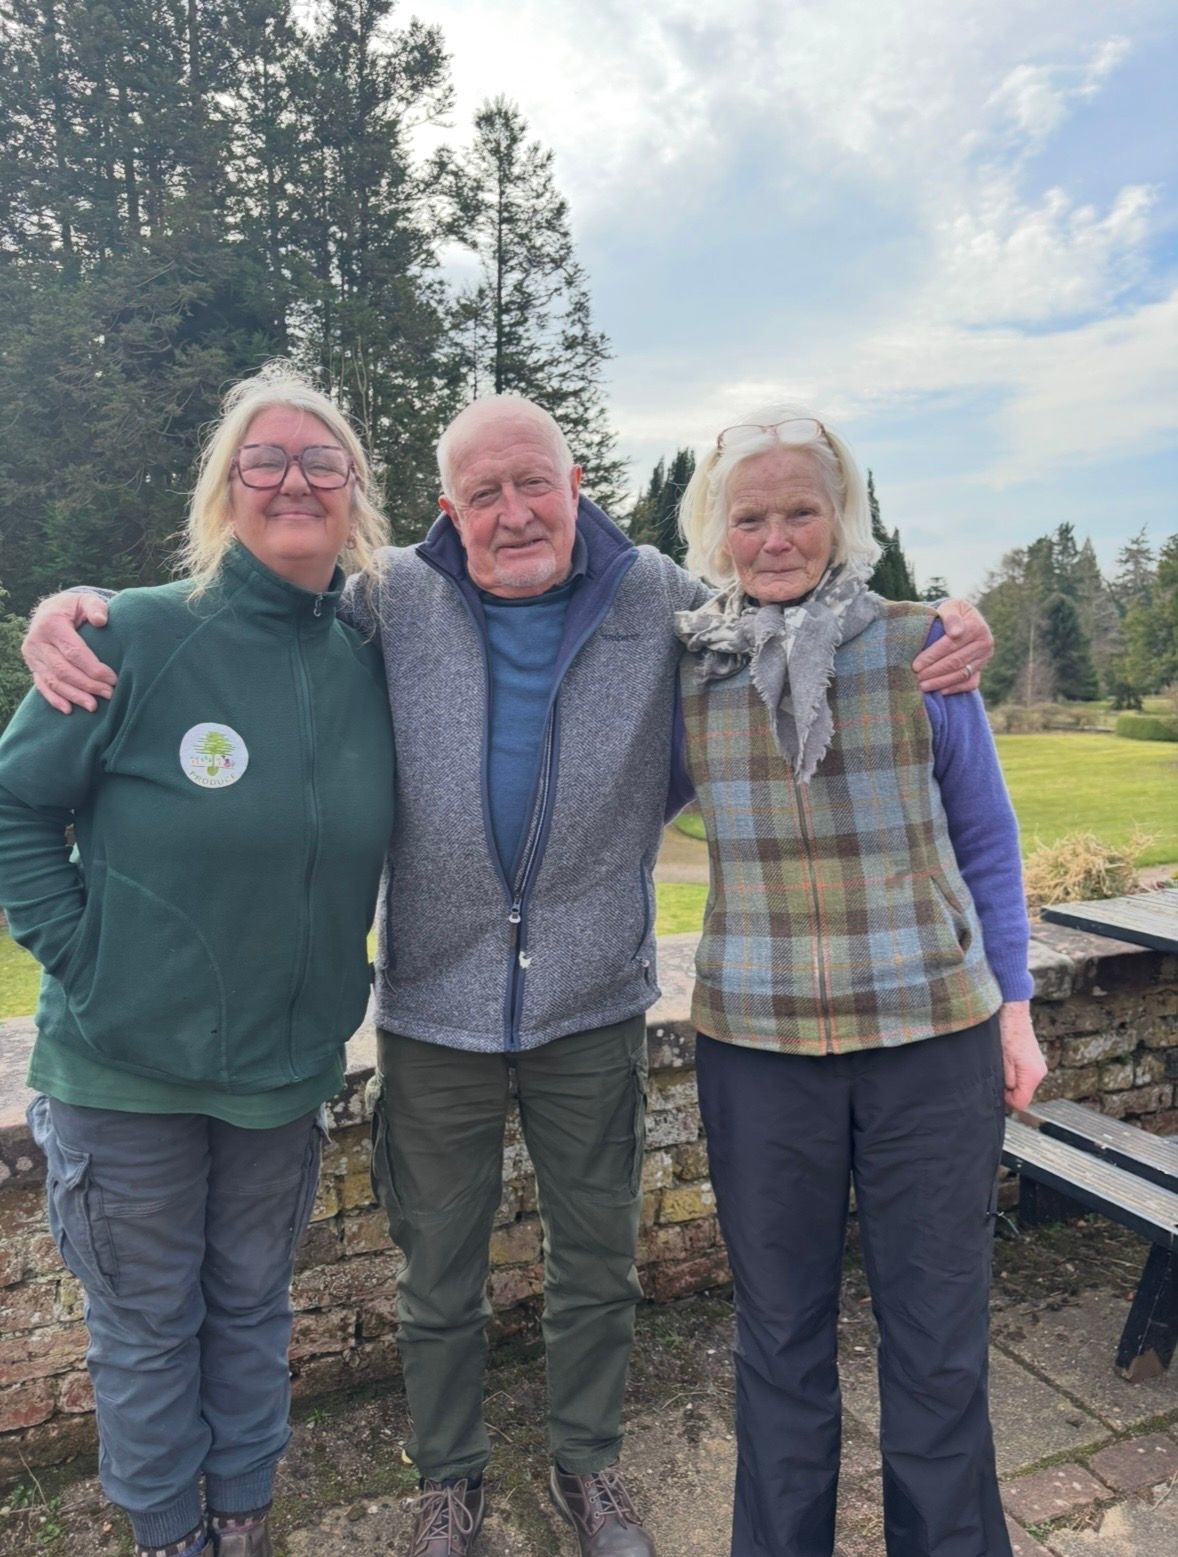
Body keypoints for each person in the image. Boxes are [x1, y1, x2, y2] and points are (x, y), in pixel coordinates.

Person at [21, 394, 994, 1557]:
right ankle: (449, 1483)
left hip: (592, 1000)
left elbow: (792, 610)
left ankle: (588, 1469)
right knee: (436, 1278)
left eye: (532, 483)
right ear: (449, 509)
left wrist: (944, 623)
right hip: (434, 1004)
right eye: (482, 493)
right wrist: (67, 611)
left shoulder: (657, 598)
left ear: (573, 481)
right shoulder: (386, 599)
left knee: (597, 1268)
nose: (512, 511)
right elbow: (249, 605)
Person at [0, 367, 396, 1557]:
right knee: (146, 1331)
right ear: (227, 487)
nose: (291, 480)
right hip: (126, 1076)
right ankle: (170, 1535)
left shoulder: (370, 653)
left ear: (353, 491)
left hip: (280, 1075)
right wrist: (86, 954)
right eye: (262, 460)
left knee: (250, 1314)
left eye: (319, 461)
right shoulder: (135, 633)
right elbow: (17, 807)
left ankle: (244, 1522)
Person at [672, 407, 1047, 1557]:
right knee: (775, 1337)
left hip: (929, 1034)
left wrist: (1015, 1010)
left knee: (935, 1339)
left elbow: (983, 838)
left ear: (841, 519)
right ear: (714, 530)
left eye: (800, 510)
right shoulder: (687, 664)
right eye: (750, 515)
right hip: (756, 1048)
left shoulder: (919, 647)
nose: (776, 536)